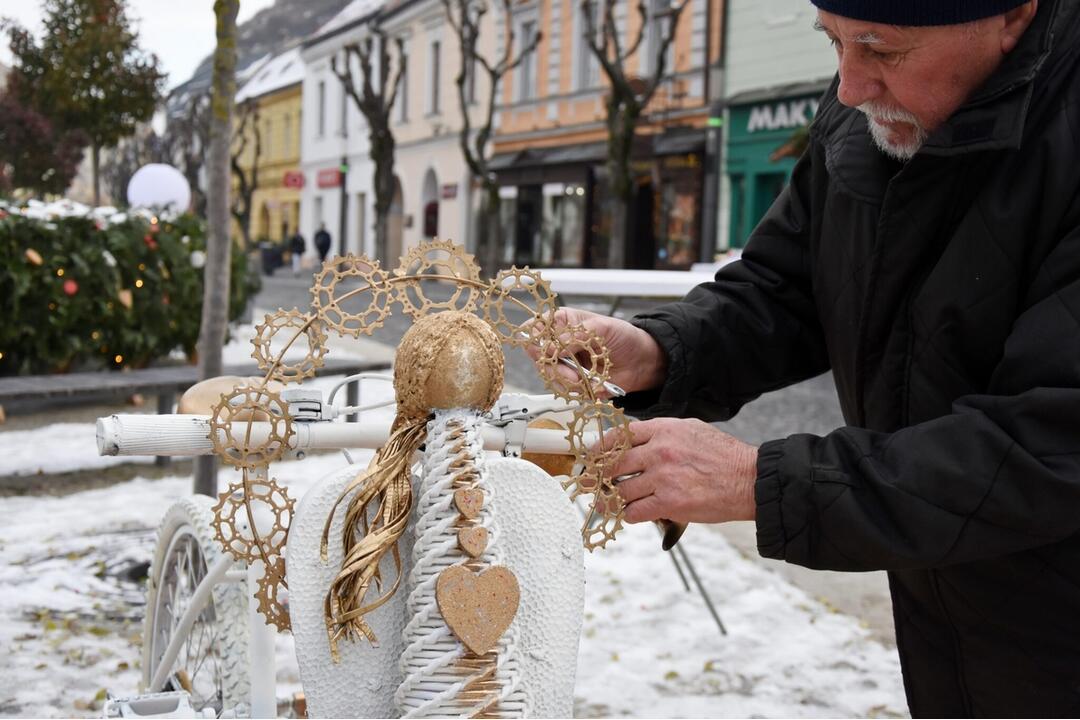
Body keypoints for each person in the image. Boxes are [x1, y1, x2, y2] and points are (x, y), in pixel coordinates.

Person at [536, 0, 1080, 715]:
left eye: (882, 51)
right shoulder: (867, 105)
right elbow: (788, 287)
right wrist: (661, 349)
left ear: (1014, 16)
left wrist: (762, 483)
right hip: (956, 621)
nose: (850, 86)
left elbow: (1047, 446)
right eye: (835, 42)